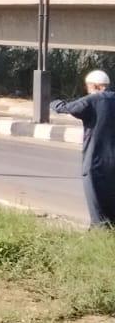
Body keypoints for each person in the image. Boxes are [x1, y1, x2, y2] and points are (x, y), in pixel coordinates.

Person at [52, 69, 115, 228]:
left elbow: (69, 108)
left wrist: (54, 103)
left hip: (96, 159)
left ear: (95, 86)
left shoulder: (92, 100)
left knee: (95, 196)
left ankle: (100, 229)